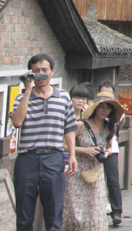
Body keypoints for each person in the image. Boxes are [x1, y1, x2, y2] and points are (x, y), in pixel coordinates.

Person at [10, 53, 78, 231]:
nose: (41, 74)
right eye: (36, 71)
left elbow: (69, 129)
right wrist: (27, 90)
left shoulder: (63, 97)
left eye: (44, 70)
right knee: (24, 214)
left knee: (54, 212)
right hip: (27, 159)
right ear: (29, 73)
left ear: (52, 72)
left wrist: (72, 155)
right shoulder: (21, 98)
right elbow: (17, 122)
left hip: (53, 158)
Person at [64, 91, 123, 231]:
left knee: (95, 210)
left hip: (96, 172)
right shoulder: (81, 125)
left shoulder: (109, 127)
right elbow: (64, 145)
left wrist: (106, 153)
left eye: (108, 108)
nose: (104, 111)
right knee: (76, 211)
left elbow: (109, 146)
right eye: (102, 107)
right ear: (95, 108)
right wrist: (84, 150)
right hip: (78, 171)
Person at [96, 83, 124, 227]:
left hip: (111, 149)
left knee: (113, 180)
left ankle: (116, 211)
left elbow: (120, 123)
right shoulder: (93, 108)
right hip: (94, 149)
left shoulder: (115, 111)